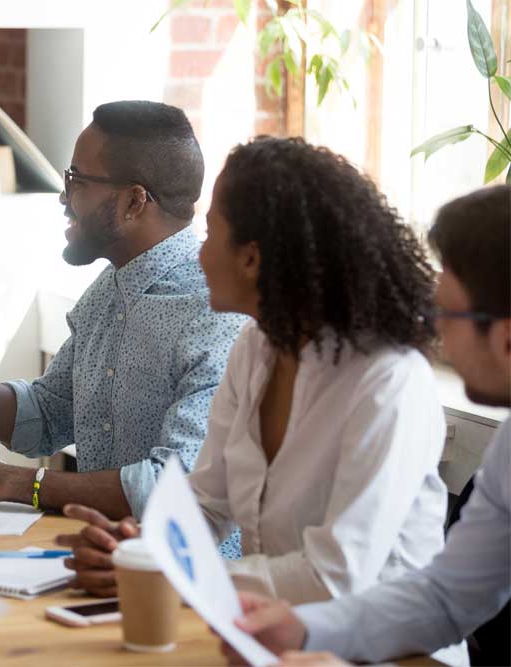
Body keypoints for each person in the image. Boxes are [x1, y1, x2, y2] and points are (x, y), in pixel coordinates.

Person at [55, 138, 464, 663]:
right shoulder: (256, 347)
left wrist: (176, 574)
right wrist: (140, 548)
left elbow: (332, 577)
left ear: (251, 259)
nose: (198, 250)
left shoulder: (387, 384)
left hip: (393, 657)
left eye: (213, 234)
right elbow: (204, 506)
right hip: (269, 644)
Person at [0, 101, 246, 536]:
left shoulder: (215, 314)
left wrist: (5, 481)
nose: (64, 197)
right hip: (99, 561)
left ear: (134, 201)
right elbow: (46, 415)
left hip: (183, 587)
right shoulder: (108, 290)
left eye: (76, 180)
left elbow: (175, 487)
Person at [225, 184, 510, 667]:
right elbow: (446, 599)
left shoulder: (388, 376)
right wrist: (304, 629)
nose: (434, 329)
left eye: (446, 312)